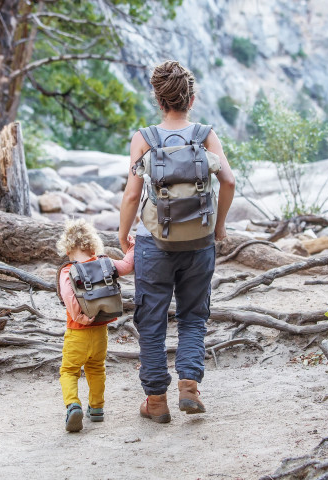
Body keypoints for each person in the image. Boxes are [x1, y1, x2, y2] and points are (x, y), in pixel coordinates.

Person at [118, 60, 236, 423]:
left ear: (158, 99)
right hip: (199, 241)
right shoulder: (204, 135)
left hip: (154, 242)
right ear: (192, 99)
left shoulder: (145, 138)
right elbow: (229, 182)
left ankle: (156, 401)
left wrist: (124, 235)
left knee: (151, 320)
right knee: (193, 316)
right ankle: (189, 387)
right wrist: (218, 228)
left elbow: (131, 195)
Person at [56, 219, 135, 432]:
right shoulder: (105, 262)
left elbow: (68, 297)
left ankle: (73, 406)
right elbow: (127, 267)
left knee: (69, 371)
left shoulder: (68, 271)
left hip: (77, 332)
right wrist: (133, 248)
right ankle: (97, 408)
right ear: (93, 244)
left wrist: (81, 317)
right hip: (100, 330)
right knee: (96, 368)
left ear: (68, 248)